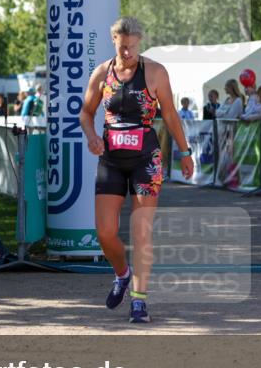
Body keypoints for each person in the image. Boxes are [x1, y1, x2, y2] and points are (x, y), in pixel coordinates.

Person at [81, 17, 193, 324]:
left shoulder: (155, 72)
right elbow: (86, 113)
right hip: (111, 159)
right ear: (113, 41)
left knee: (142, 232)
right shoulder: (102, 73)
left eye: (132, 47)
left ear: (139, 43)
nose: (127, 53)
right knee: (105, 232)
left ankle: (140, 301)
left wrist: (185, 152)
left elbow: (170, 114)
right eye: (122, 47)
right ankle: (122, 273)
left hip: (146, 159)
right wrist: (92, 136)